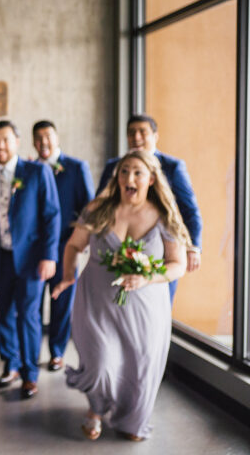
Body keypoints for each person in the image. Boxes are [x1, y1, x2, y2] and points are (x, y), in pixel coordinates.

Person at [52, 150, 190, 441]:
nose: (130, 178)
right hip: (96, 301)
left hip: (145, 307)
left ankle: (132, 421)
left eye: (138, 172)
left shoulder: (164, 216)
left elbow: (177, 264)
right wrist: (67, 276)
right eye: (124, 171)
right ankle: (96, 408)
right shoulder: (98, 209)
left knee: (139, 366)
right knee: (100, 362)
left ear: (151, 179)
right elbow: (74, 245)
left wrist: (148, 277)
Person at [0, 120, 60, 399]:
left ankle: (30, 373)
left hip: (30, 259)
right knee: (2, 313)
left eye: (5, 139)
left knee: (28, 316)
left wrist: (49, 256)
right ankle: (10, 364)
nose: (0, 145)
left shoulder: (37, 172)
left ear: (16, 142)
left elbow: (52, 216)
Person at [96, 115, 202, 302]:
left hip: (162, 251)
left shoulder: (173, 167)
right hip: (118, 251)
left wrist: (194, 247)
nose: (136, 137)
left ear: (155, 136)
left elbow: (190, 210)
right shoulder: (114, 166)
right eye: (131, 133)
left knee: (158, 304)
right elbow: (100, 204)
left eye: (142, 132)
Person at [32, 120, 94, 372]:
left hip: (66, 246)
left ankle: (57, 353)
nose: (43, 142)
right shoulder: (30, 169)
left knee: (62, 303)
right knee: (32, 306)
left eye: (47, 136)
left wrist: (80, 242)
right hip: (34, 249)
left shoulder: (77, 168)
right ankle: (31, 354)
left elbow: (88, 209)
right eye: (38, 137)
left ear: (57, 138)